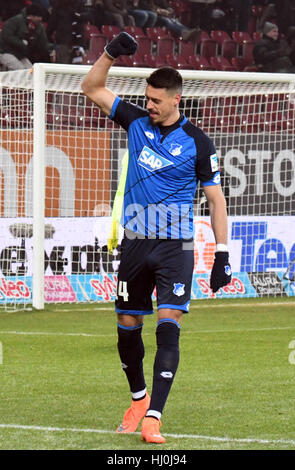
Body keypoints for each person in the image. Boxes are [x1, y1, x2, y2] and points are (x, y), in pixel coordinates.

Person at [81, 32, 231, 444]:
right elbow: (91, 87)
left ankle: (154, 417)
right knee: (127, 328)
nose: (148, 105)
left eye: (156, 100)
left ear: (175, 99)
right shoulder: (134, 122)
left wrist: (221, 254)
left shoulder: (199, 142)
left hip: (175, 247)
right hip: (135, 243)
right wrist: (110, 52)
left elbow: (216, 201)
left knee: (168, 328)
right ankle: (137, 400)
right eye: (146, 98)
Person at [0, 4, 51, 70]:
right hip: (5, 52)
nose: (40, 19)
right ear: (30, 16)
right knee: (21, 70)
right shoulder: (15, 21)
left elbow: (43, 43)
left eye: (41, 17)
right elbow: (6, 36)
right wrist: (23, 44)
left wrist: (48, 49)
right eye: (38, 16)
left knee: (31, 71)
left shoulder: (39, 27)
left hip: (20, 54)